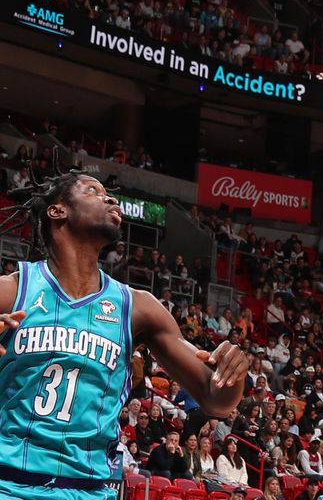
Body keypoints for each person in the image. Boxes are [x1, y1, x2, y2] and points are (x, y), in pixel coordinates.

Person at [0, 173, 249, 499]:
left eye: (109, 193)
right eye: (93, 191)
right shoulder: (13, 291)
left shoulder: (138, 308)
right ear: (57, 211)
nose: (110, 199)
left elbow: (215, 399)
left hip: (88, 489)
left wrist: (233, 376)